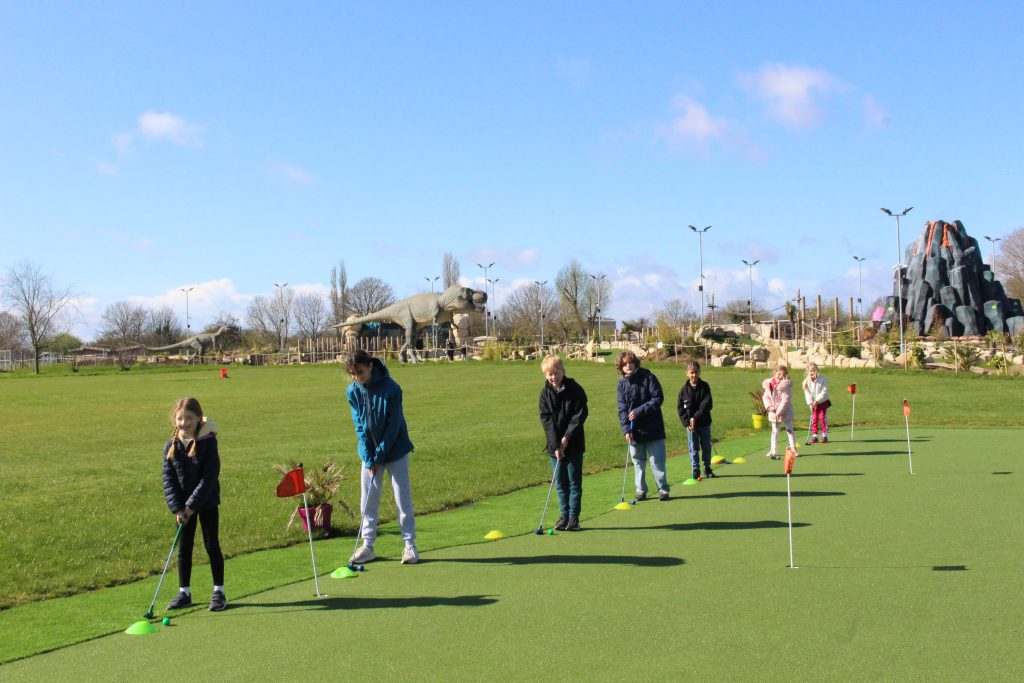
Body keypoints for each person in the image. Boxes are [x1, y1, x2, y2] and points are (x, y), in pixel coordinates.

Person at [345, 349, 418, 565]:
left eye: (360, 372)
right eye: (352, 373)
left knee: (402, 499)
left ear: (370, 365)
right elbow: (360, 426)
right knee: (368, 499)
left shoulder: (392, 389)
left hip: (395, 450)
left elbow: (393, 426)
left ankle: (410, 546)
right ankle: (367, 546)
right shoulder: (353, 391)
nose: (357, 377)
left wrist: (379, 455)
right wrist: (369, 457)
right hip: (370, 454)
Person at [162, 397, 226, 611]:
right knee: (184, 548)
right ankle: (184, 593)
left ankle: (219, 592)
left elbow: (209, 477)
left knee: (211, 544)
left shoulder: (208, 442)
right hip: (182, 507)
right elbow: (168, 478)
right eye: (179, 418)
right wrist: (178, 508)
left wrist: (191, 506)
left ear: (199, 418)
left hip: (206, 501)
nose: (184, 423)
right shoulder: (171, 444)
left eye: (188, 418)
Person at [539, 355, 588, 531]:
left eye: (556, 373)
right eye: (549, 374)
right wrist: (555, 445)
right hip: (554, 447)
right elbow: (546, 420)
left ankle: (574, 518)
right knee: (560, 483)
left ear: (563, 371)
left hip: (573, 443)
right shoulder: (544, 394)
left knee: (574, 482)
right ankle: (564, 516)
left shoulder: (575, 389)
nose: (553, 377)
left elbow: (580, 415)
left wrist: (567, 437)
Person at [616, 351, 670, 501]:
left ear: (635, 363)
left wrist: (638, 411)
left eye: (630, 363)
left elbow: (658, 398)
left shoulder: (648, 377)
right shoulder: (621, 384)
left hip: (653, 427)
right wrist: (626, 429)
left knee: (657, 461)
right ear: (620, 367)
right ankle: (641, 490)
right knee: (638, 462)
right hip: (634, 430)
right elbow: (622, 409)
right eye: (624, 364)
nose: (628, 366)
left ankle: (663, 489)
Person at [677, 359, 715, 480]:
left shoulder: (705, 387)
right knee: (693, 448)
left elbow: (707, 405)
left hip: (704, 423)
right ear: (687, 373)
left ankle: (707, 467)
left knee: (706, 446)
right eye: (691, 373)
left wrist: (695, 417)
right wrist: (687, 422)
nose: (694, 375)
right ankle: (695, 469)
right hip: (691, 426)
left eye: (696, 372)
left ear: (699, 372)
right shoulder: (683, 390)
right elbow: (680, 408)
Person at [762, 365, 796, 460]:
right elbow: (766, 397)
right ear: (775, 373)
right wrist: (769, 407)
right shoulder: (769, 384)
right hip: (773, 411)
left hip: (785, 411)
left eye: (783, 375)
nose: (780, 376)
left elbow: (785, 400)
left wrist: (779, 412)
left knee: (789, 430)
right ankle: (773, 450)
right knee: (774, 431)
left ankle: (794, 449)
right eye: (779, 374)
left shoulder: (785, 385)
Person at [802, 362, 831, 443]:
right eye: (810, 371)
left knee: (822, 417)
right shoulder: (807, 381)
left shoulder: (823, 379)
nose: (812, 372)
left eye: (814, 370)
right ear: (808, 372)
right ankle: (815, 435)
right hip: (813, 404)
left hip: (822, 401)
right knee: (814, 418)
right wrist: (811, 403)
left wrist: (817, 400)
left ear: (817, 370)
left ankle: (824, 435)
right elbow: (807, 393)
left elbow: (824, 391)